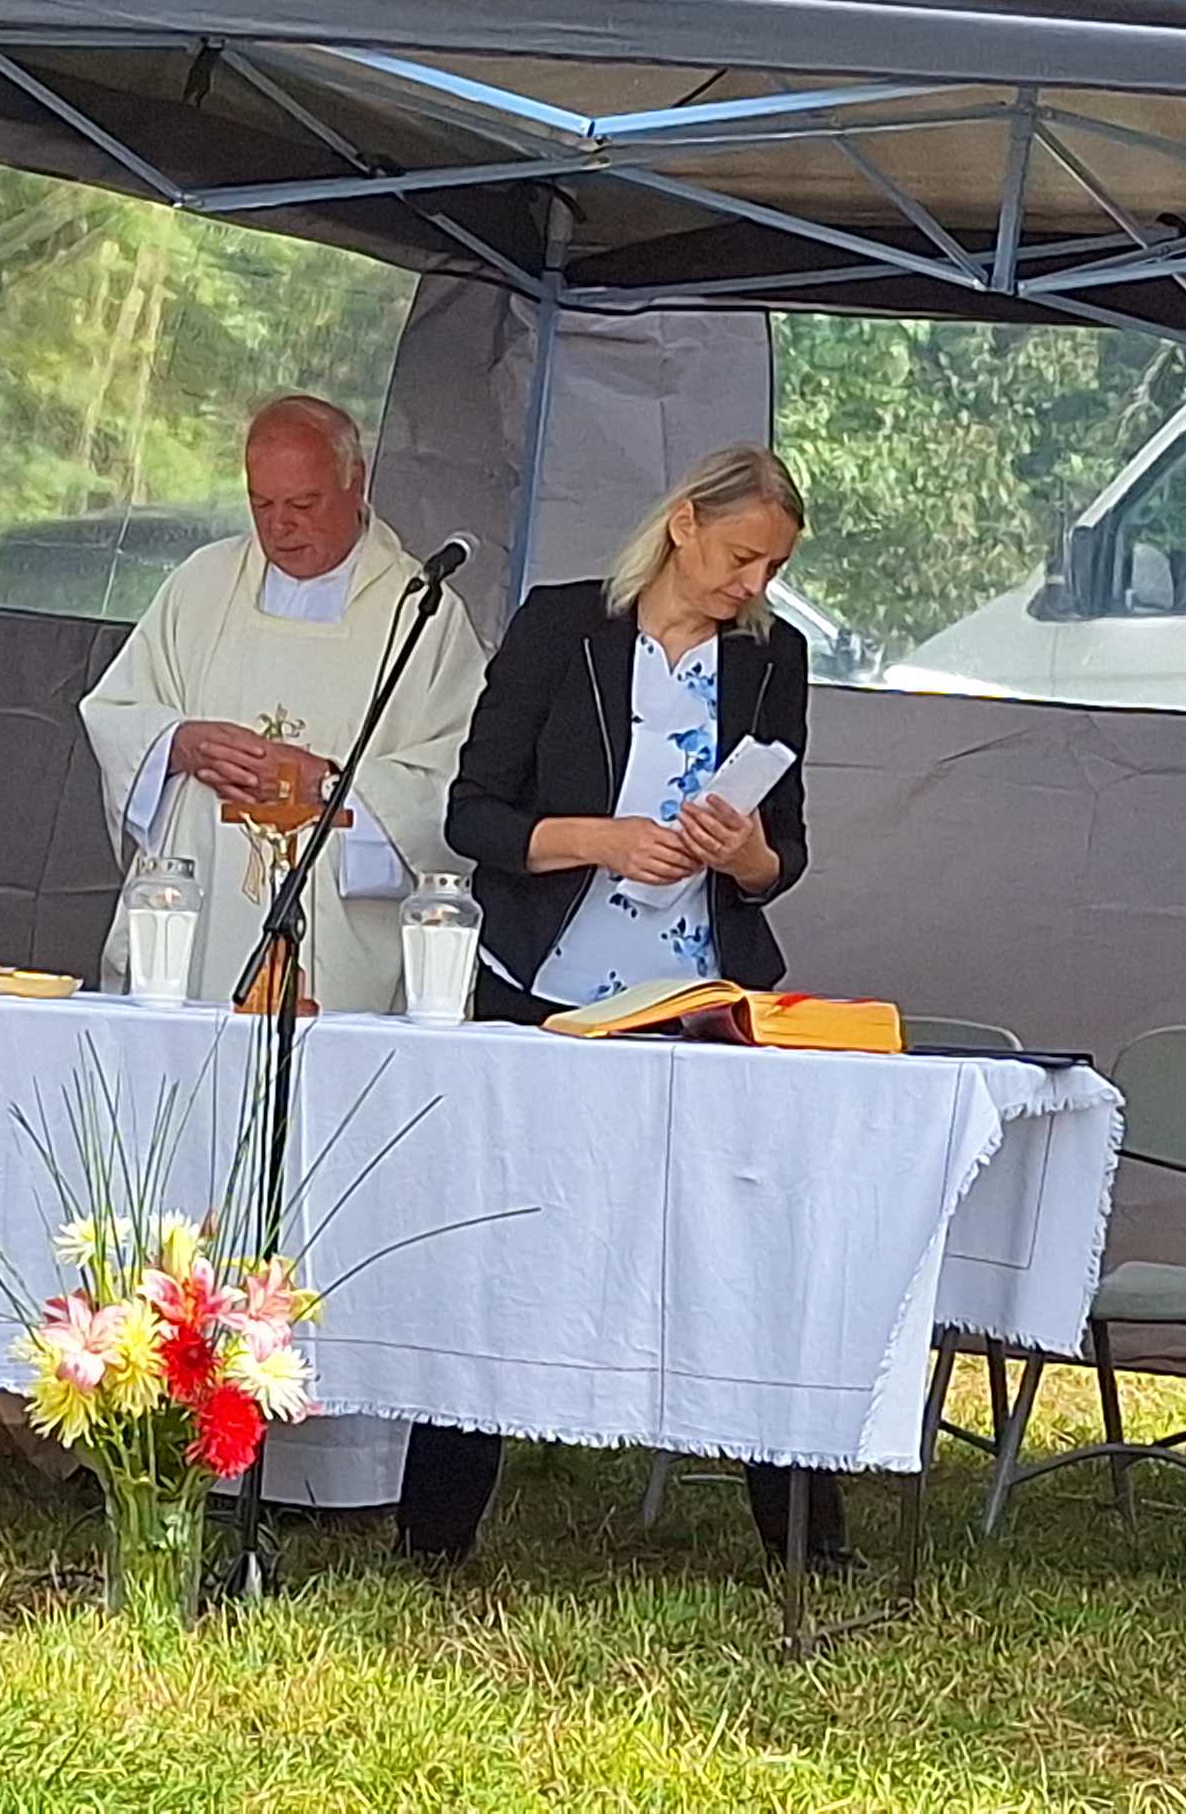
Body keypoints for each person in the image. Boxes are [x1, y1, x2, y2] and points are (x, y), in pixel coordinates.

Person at [390, 444, 821, 1566]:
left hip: (704, 997)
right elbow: (473, 816)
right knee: (492, 1241)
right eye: (741, 557)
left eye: (773, 568)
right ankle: (435, 1533)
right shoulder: (561, 627)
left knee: (745, 1247)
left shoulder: (774, 658)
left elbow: (785, 856)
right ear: (684, 524)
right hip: (543, 988)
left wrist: (746, 853)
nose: (752, 585)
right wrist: (602, 839)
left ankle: (803, 1539)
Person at [77, 395, 486, 1013]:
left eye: (302, 504)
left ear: (356, 482)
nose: (279, 527)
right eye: (262, 505)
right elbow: (119, 712)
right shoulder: (202, 584)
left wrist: (327, 785)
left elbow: (456, 785)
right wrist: (179, 743)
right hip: (204, 905)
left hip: (340, 942)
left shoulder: (421, 613)